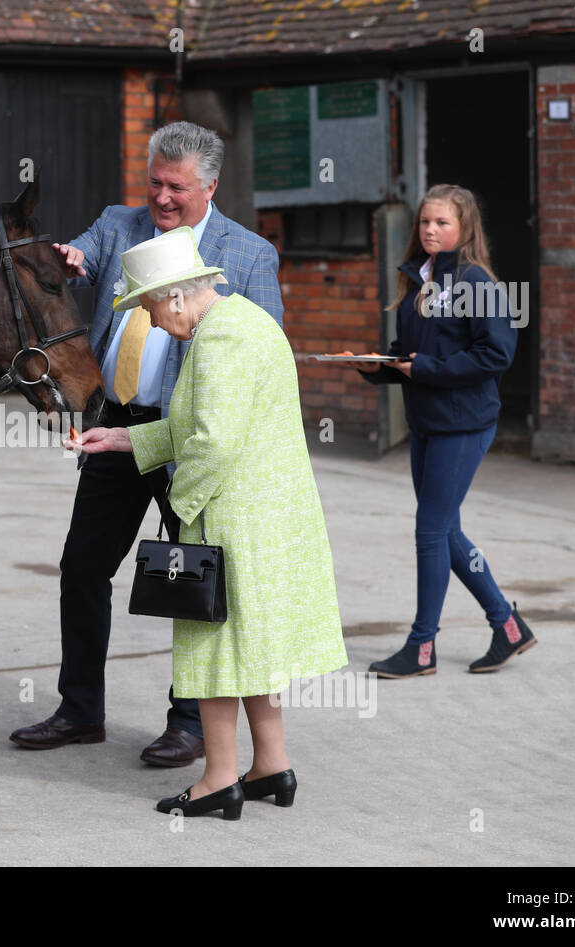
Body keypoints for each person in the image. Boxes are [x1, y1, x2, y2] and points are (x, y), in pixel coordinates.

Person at [9, 121, 284, 768]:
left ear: (210, 185)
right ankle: (80, 710)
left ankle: (189, 723)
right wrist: (67, 258)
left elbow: (265, 352)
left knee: (194, 580)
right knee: (82, 568)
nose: (161, 197)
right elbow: (78, 253)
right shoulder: (120, 223)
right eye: (155, 182)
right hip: (118, 427)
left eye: (177, 187)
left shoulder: (247, 256)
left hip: (193, 437)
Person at [69, 227, 347, 819]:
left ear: (172, 296)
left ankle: (219, 778)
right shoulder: (241, 320)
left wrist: (180, 503)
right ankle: (271, 764)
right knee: (250, 646)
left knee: (212, 647)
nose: (148, 318)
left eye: (146, 306)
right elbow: (202, 423)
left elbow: (213, 443)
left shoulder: (219, 340)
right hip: (262, 514)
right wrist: (124, 437)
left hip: (229, 515)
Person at [350, 184, 535, 677]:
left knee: (430, 532)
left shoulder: (478, 283)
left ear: (464, 228)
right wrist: (381, 366)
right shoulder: (420, 276)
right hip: (428, 420)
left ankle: (422, 647)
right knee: (445, 530)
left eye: (442, 223)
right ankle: (508, 626)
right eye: (425, 222)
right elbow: (414, 353)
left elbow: (495, 355)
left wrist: (422, 368)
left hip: (465, 422)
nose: (431, 230)